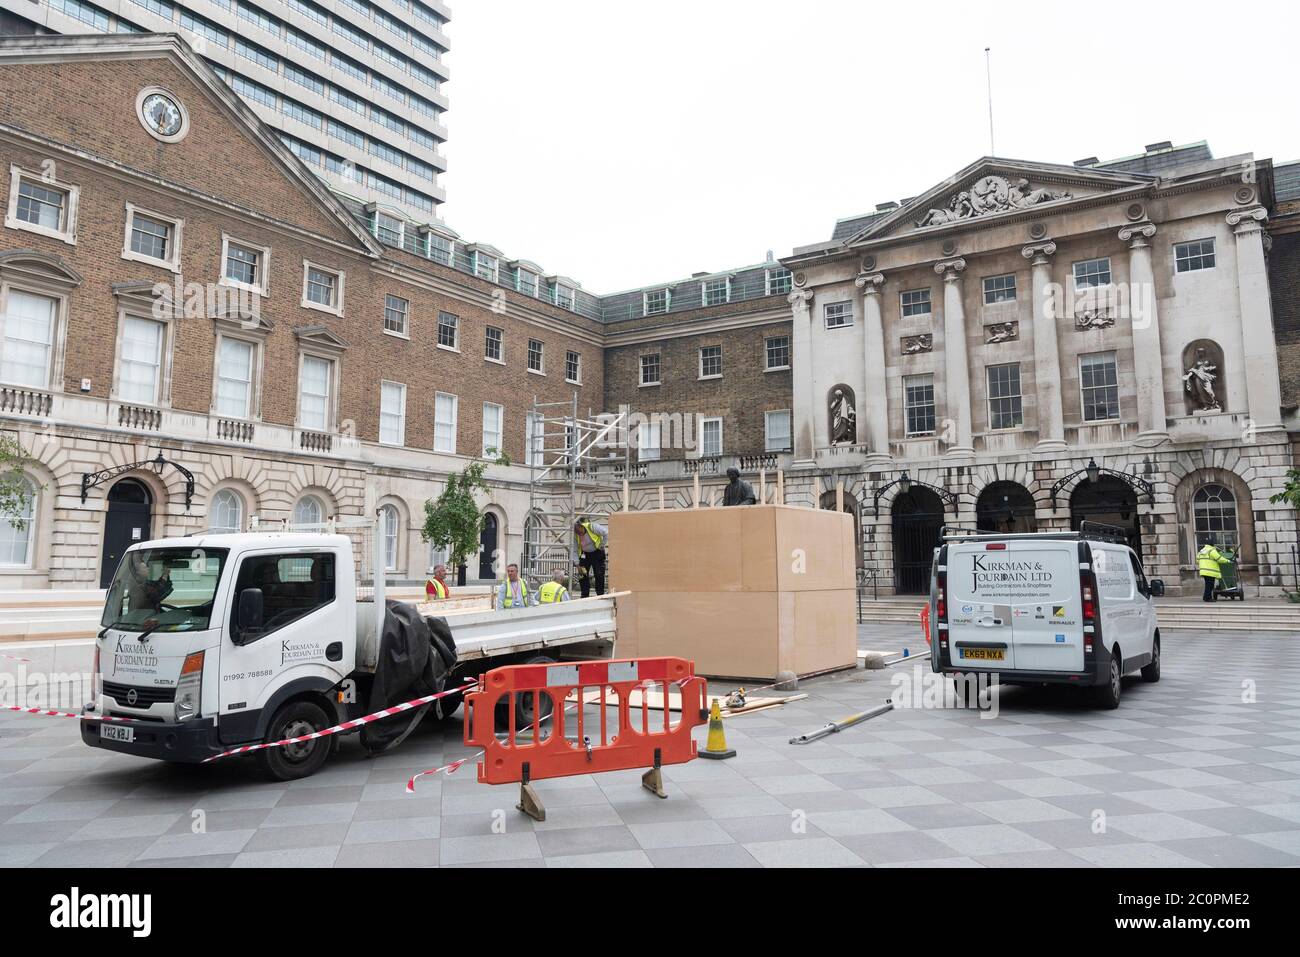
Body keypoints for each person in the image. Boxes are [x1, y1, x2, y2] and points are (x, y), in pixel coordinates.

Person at [573, 517, 608, 598]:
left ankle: (600, 594)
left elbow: (606, 533)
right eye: (577, 533)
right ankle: (584, 595)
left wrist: (601, 545)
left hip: (597, 553)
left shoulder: (592, 527)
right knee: (582, 574)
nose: (579, 534)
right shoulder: (575, 534)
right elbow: (574, 549)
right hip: (584, 555)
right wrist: (577, 564)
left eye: (580, 532)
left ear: (581, 526)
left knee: (599, 574)